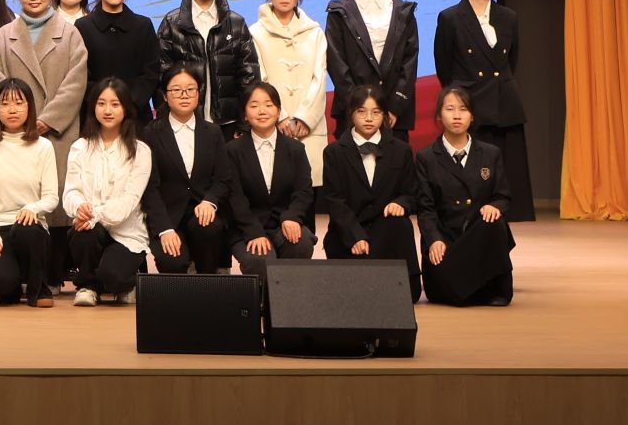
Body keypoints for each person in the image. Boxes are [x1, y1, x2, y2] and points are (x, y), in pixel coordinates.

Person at [0, 0, 88, 286]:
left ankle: (53, 275)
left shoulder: (70, 33)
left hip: (57, 131)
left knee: (54, 201)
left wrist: (46, 119)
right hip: (15, 132)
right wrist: (23, 118)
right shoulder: (4, 35)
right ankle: (21, 272)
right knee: (18, 199)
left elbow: (76, 82)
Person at [434, 0, 532, 220]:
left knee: (506, 167)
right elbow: (444, 66)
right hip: (471, 102)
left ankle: (507, 212)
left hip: (504, 101)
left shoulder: (508, 16)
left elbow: (512, 60)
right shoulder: (451, 17)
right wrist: (460, 100)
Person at [416, 86, 517, 306]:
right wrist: (434, 239)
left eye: (463, 109)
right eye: (449, 109)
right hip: (447, 245)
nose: (457, 115)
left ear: (472, 116)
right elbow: (426, 208)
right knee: (449, 288)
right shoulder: (426, 158)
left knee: (494, 221)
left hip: (479, 242)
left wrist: (495, 207)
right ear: (439, 115)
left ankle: (494, 289)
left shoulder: (490, 153)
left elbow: (502, 196)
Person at [321, 83, 422, 301]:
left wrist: (401, 203)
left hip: (386, 233)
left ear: (384, 115)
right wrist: (355, 236)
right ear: (351, 113)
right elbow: (334, 201)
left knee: (400, 224)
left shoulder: (401, 150)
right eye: (362, 111)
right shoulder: (334, 152)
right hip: (348, 234)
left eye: (376, 112)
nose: (369, 118)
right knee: (354, 296)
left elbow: (411, 192)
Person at [63, 78, 152, 306]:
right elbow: (71, 192)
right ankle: (87, 286)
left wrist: (92, 214)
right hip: (90, 229)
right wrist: (80, 207)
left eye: (115, 104)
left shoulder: (140, 151)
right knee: (83, 232)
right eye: (101, 103)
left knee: (113, 276)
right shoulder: (80, 147)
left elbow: (128, 202)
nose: (108, 110)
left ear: (126, 108)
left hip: (126, 233)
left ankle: (126, 282)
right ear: (93, 107)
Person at [158, 0, 259, 141]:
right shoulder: (172, 23)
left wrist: (244, 123)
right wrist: (165, 121)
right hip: (183, 122)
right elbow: (162, 76)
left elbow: (249, 76)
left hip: (228, 124)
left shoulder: (236, 23)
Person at [324, 0, 419, 143]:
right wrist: (359, 109)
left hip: (394, 116)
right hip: (351, 113)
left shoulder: (403, 11)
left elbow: (409, 62)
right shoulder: (339, 11)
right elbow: (336, 63)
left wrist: (393, 107)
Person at [140, 67, 231, 276]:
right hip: (168, 215)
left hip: (202, 212)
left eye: (190, 89)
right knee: (172, 262)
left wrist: (210, 201)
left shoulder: (213, 132)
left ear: (198, 93)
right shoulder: (151, 133)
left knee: (209, 229)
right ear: (165, 96)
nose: (184, 95)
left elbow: (223, 179)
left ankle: (208, 280)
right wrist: (164, 229)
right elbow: (150, 188)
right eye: (176, 90)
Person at [221, 82, 317, 279]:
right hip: (246, 226)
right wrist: (253, 231)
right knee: (259, 259)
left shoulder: (295, 149)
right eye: (254, 105)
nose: (262, 111)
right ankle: (262, 299)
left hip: (284, 223)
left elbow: (304, 190)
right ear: (244, 114)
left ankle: (290, 297)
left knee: (301, 244)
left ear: (279, 111)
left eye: (268, 104)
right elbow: (234, 197)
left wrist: (292, 217)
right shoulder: (232, 151)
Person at [0, 77, 60, 306]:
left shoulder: (43, 146)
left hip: (31, 227)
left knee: (27, 229)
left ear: (29, 107)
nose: (12, 110)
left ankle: (39, 290)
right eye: (5, 104)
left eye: (18, 103)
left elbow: (51, 197)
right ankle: (13, 284)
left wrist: (32, 208)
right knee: (3, 284)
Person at [248, 0, 329, 184]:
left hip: (309, 126)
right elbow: (260, 78)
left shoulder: (314, 32)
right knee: (275, 186)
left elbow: (319, 77)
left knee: (309, 187)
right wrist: (280, 116)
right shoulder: (256, 33)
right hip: (272, 123)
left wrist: (305, 117)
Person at [75, 0, 161, 126]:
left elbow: (151, 72)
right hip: (96, 115)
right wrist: (104, 104)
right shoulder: (83, 26)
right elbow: (81, 74)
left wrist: (129, 104)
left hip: (135, 115)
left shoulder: (143, 25)